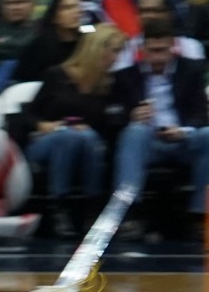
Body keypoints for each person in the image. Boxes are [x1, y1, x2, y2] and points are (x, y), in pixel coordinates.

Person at [22, 24, 127, 219]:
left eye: (119, 52)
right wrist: (44, 125)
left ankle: (67, 207)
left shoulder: (111, 84)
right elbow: (28, 115)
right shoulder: (56, 75)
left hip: (90, 143)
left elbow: (114, 124)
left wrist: (90, 128)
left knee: (83, 136)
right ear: (96, 49)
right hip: (48, 141)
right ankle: (82, 205)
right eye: (114, 51)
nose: (116, 58)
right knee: (70, 136)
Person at [109, 16, 209, 219]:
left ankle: (200, 214)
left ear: (172, 47)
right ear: (142, 49)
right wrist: (131, 115)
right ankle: (128, 212)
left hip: (184, 139)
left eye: (162, 50)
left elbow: (201, 113)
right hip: (148, 141)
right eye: (152, 51)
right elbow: (113, 116)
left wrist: (183, 131)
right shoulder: (126, 76)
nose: (157, 57)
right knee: (135, 132)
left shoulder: (191, 70)